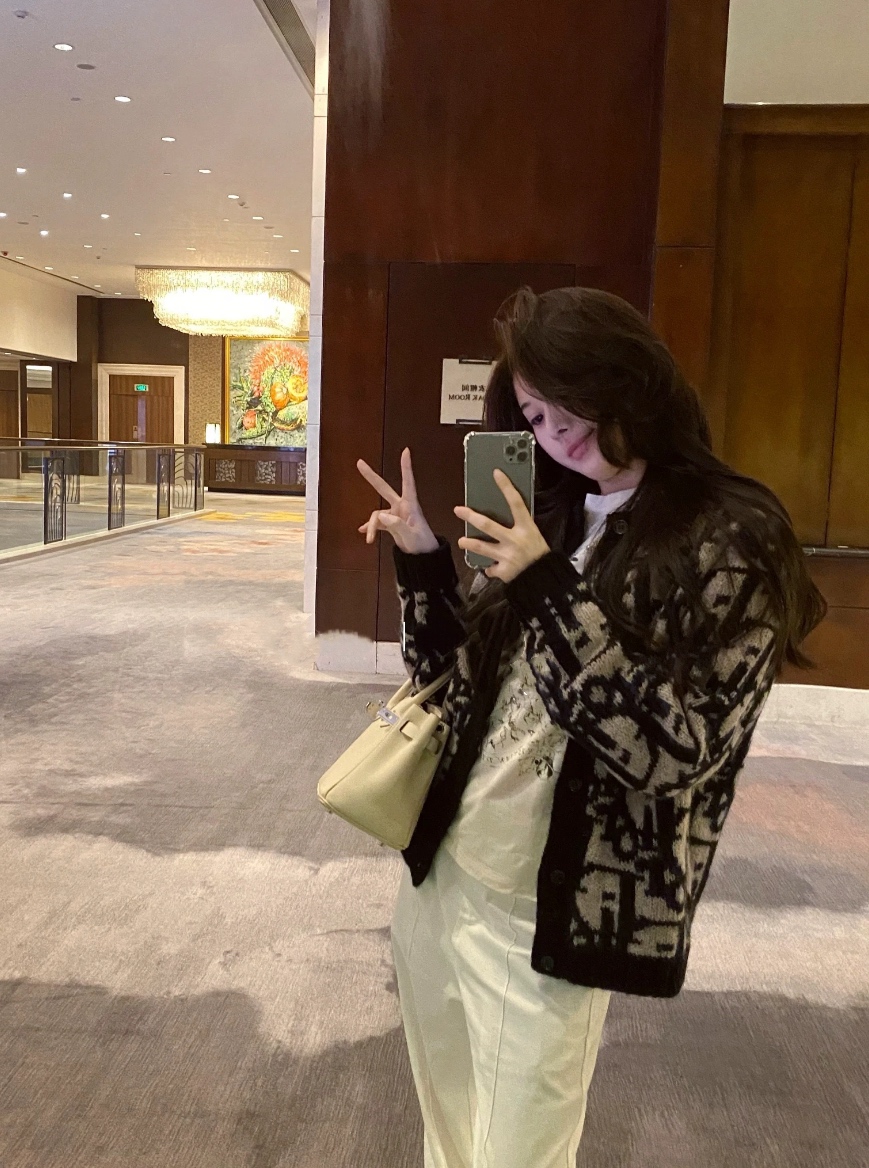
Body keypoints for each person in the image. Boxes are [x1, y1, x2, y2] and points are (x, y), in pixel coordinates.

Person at [356, 287, 826, 1168]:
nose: (555, 433)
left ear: (630, 381)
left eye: (569, 403)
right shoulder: (554, 510)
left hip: (551, 903)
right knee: (447, 1135)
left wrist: (544, 584)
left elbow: (672, 750)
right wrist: (421, 563)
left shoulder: (731, 532)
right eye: (534, 414)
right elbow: (453, 686)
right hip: (444, 872)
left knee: (518, 1152)